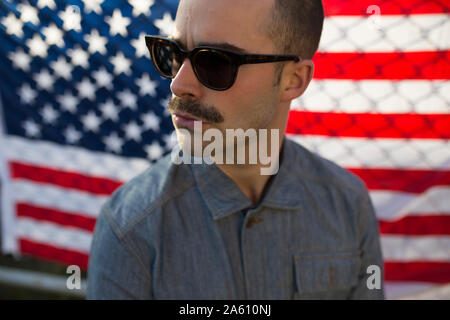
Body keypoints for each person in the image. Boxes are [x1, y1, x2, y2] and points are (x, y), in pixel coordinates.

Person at [87, 0, 385, 299]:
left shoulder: (347, 205)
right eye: (174, 55)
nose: (179, 85)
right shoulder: (132, 227)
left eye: (216, 62)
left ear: (293, 80)